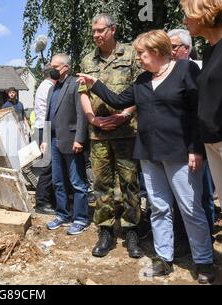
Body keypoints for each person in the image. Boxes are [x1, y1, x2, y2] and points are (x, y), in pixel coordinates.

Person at [78, 29, 215, 284]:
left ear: (157, 51)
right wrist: (94, 83)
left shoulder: (185, 71)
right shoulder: (142, 81)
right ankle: (164, 258)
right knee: (159, 208)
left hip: (181, 153)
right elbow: (118, 101)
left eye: (141, 53)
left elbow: (199, 112)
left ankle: (204, 260)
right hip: (149, 154)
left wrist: (196, 148)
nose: (138, 58)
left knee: (190, 209)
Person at [79, 13, 143, 258]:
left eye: (100, 30)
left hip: (125, 131)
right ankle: (105, 230)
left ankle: (131, 231)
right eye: (93, 31)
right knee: (101, 184)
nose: (96, 35)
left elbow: (141, 89)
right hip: (98, 134)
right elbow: (83, 93)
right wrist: (91, 119)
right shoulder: (87, 60)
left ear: (113, 30)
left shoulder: (130, 54)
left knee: (129, 183)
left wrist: (125, 114)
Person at [167, 28, 217, 253]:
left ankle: (206, 235)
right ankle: (184, 240)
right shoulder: (167, 71)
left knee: (203, 193)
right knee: (184, 196)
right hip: (180, 143)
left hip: (200, 142)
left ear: (186, 49)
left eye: (173, 47)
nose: (169, 51)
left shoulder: (197, 67)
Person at [181, 0, 222, 226]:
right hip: (211, 143)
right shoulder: (209, 51)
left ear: (203, 12)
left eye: (187, 14)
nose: (184, 20)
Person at [41, 53, 89, 235]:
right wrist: (45, 140)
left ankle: (80, 218)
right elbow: (48, 116)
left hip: (71, 140)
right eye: (51, 65)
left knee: (77, 182)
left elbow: (82, 113)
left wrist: (80, 138)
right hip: (54, 140)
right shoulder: (53, 88)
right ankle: (62, 214)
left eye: (55, 66)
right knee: (58, 181)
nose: (51, 69)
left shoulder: (76, 84)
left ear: (66, 68)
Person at [33, 65, 56, 215]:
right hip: (45, 127)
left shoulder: (43, 85)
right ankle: (41, 202)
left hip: (42, 127)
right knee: (48, 166)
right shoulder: (48, 87)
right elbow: (51, 110)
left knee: (49, 165)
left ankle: (49, 199)